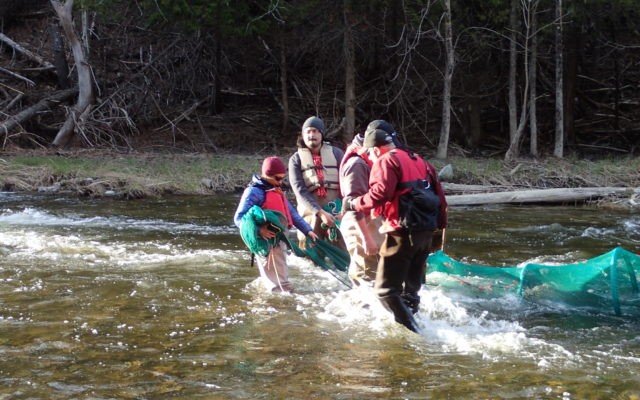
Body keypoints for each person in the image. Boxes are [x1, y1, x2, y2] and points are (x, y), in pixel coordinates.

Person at [343, 120, 448, 333]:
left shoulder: (386, 161)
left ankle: (417, 334)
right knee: (410, 292)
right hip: (425, 234)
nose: (370, 159)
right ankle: (418, 325)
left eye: (370, 154)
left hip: (402, 234)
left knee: (385, 291)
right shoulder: (420, 160)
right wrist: (437, 234)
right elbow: (441, 198)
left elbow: (380, 194)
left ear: (375, 149)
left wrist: (354, 203)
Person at [234, 156, 318, 292]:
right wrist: (260, 230)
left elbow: (293, 214)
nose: (280, 182)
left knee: (280, 275)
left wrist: (308, 231)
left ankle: (278, 297)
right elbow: (239, 218)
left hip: (280, 239)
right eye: (278, 178)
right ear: (266, 175)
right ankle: (279, 303)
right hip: (266, 241)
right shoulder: (254, 192)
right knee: (277, 284)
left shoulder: (276, 190)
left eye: (283, 178)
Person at [288, 116, 345, 246]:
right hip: (310, 215)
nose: (311, 135)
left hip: (336, 213)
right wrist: (320, 212)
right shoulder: (295, 160)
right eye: (308, 131)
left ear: (321, 134)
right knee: (310, 256)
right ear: (302, 135)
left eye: (315, 131)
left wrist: (344, 211)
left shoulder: (337, 154)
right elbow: (299, 191)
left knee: (343, 254)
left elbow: (347, 183)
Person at [338, 132, 383, 286]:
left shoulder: (363, 162)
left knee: (374, 277)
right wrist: (366, 238)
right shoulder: (357, 164)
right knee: (365, 278)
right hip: (359, 226)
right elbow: (353, 204)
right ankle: (360, 308)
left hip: (369, 224)